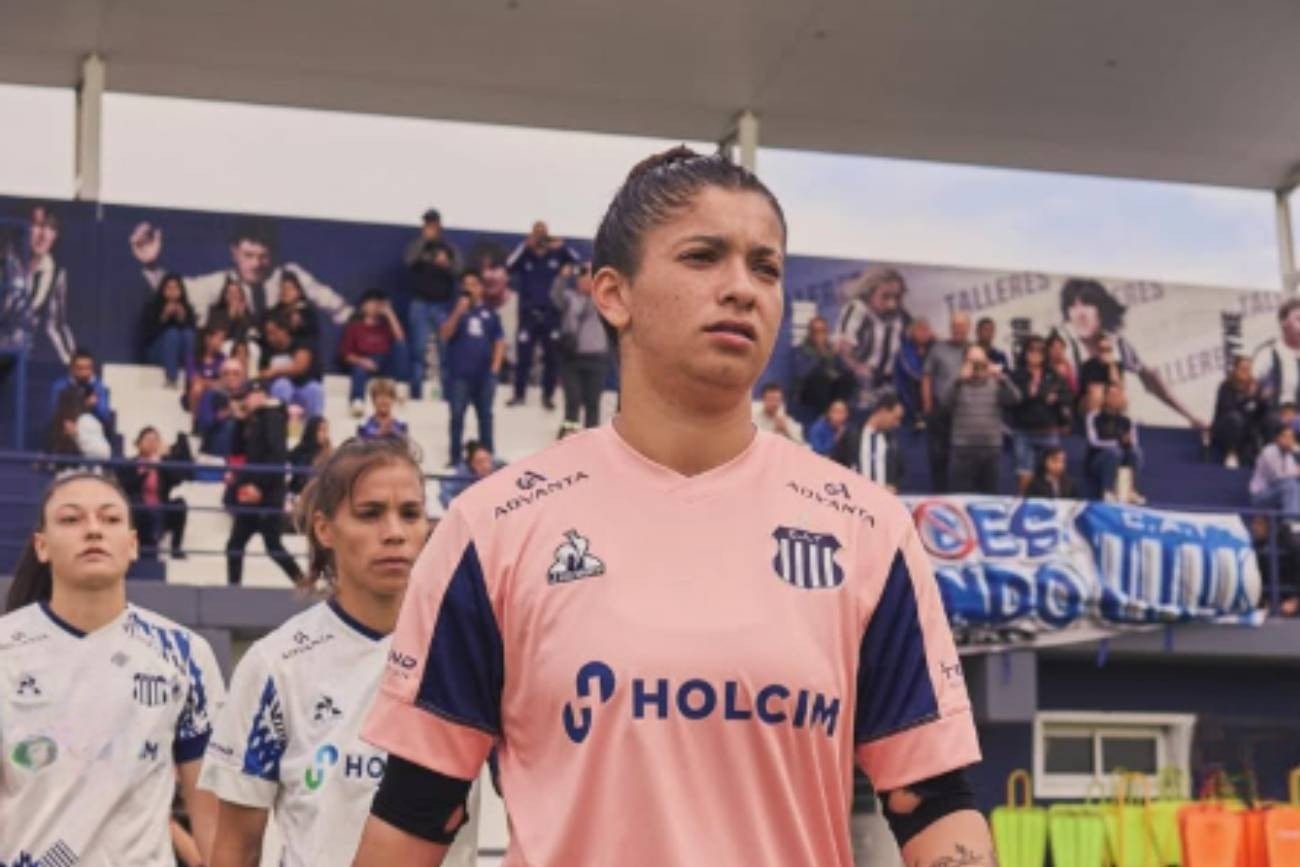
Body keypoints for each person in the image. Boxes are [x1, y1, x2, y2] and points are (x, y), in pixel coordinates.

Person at [353, 147, 990, 867]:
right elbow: (416, 809)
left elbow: (932, 800)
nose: (742, 288)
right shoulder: (495, 526)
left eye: (765, 267)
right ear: (612, 294)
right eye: (703, 257)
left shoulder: (866, 529)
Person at [202, 438, 480, 867]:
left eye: (410, 513)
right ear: (324, 529)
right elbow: (235, 849)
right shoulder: (275, 665)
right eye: (370, 514)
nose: (394, 532)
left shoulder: (471, 656)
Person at [0, 471, 225, 864]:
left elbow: (214, 826)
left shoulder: (184, 653)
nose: (93, 530)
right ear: (42, 546)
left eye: (110, 518)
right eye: (71, 519)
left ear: (133, 544)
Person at [129, 216, 352, 326]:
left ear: (273, 254)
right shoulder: (220, 282)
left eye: (263, 256)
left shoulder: (291, 275)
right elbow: (178, 289)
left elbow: (336, 306)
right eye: (248, 255)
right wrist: (150, 265)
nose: (256, 264)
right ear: (234, 252)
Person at [1050, 277, 1204, 428]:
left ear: (1101, 309)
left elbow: (1151, 382)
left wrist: (1190, 417)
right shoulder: (1064, 345)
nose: (1080, 314)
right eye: (1073, 306)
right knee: (1096, 391)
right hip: (1072, 422)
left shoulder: (1118, 345)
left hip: (1108, 420)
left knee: (1116, 394)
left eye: (1087, 304)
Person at [224, 381, 304, 587]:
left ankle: (305, 584)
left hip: (268, 493)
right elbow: (238, 451)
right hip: (253, 492)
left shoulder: (272, 417)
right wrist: (240, 421)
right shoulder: (254, 420)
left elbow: (276, 456)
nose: (247, 400)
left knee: (272, 545)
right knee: (237, 545)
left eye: (251, 395)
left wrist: (258, 486)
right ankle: (234, 591)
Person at [506, 220, 580, 409]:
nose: (540, 237)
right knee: (523, 357)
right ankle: (519, 394)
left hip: (551, 314)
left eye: (543, 233)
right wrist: (525, 246)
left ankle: (548, 396)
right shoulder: (525, 254)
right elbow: (509, 266)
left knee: (551, 357)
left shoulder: (557, 254)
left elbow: (578, 263)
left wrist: (563, 247)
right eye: (537, 232)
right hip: (528, 314)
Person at [440, 270, 505, 466]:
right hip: (459, 374)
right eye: (466, 284)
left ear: (481, 288)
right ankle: (455, 458)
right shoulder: (452, 310)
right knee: (457, 415)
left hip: (484, 375)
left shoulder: (490, 314)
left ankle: (488, 458)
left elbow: (499, 341)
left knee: (485, 416)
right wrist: (458, 312)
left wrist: (495, 369)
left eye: (474, 284)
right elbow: (445, 335)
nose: (469, 288)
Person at [0, 202, 77, 362]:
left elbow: (56, 325)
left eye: (51, 228)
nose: (44, 234)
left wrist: (74, 363)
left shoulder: (55, 273)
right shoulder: (5, 260)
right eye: (38, 225)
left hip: (19, 358)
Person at [944, 345, 1020, 495]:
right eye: (973, 362)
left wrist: (1002, 378)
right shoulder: (957, 382)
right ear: (965, 362)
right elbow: (944, 402)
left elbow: (1015, 399)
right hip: (963, 450)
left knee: (990, 496)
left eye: (981, 361)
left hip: (991, 449)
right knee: (960, 496)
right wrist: (958, 380)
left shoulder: (996, 382)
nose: (977, 366)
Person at [835, 266, 910, 411]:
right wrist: (858, 369)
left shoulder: (900, 315)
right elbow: (842, 348)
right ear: (870, 293)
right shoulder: (857, 308)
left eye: (896, 297)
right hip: (859, 382)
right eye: (885, 297)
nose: (891, 304)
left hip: (888, 382)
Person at [404, 208, 460, 400]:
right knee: (418, 351)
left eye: (433, 225)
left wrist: (446, 264)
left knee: (445, 353)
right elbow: (409, 261)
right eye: (427, 225)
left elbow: (460, 270)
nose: (430, 228)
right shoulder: (417, 246)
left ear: (440, 226)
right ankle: (416, 395)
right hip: (420, 304)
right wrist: (425, 243)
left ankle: (447, 397)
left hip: (441, 305)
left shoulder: (449, 248)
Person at [552, 261, 611, 434]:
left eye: (589, 278)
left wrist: (600, 276)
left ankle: (591, 440)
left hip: (596, 359)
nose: (584, 281)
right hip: (572, 358)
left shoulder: (603, 300)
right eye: (582, 278)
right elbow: (555, 296)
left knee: (593, 404)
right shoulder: (570, 298)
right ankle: (569, 437)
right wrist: (563, 277)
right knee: (573, 400)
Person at [117, 426, 192, 560]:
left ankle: (175, 548)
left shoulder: (163, 463)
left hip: (160, 508)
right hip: (138, 510)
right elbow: (126, 486)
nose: (152, 443)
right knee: (136, 503)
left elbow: (178, 479)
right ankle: (143, 545)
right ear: (139, 443)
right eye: (148, 440)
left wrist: (163, 462)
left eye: (155, 440)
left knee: (180, 504)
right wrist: (145, 470)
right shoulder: (129, 464)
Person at [1009, 335, 1072, 493]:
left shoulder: (1053, 375)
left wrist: (1056, 397)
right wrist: (1027, 394)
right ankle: (1024, 505)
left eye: (1040, 351)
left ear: (1045, 354)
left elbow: (1068, 395)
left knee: (1053, 473)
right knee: (1025, 474)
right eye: (1031, 350)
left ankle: (1054, 504)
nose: (1035, 354)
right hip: (1024, 432)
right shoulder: (1016, 375)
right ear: (1025, 352)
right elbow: (1009, 400)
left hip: (1048, 431)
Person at [921, 312, 970, 492]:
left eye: (961, 326)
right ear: (950, 328)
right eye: (955, 326)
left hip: (966, 413)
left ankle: (961, 496)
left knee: (963, 459)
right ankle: (939, 494)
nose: (958, 329)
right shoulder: (938, 349)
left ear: (968, 328)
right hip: (941, 411)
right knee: (938, 457)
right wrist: (927, 406)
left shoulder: (974, 350)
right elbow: (927, 377)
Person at [339, 288, 408, 416]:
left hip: (385, 361)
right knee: (358, 369)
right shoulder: (354, 327)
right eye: (372, 303)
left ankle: (400, 385)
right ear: (363, 306)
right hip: (364, 361)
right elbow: (346, 354)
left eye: (378, 303)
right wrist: (362, 361)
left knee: (400, 347)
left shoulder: (385, 326)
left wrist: (390, 314)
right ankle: (357, 402)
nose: (375, 306)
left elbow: (400, 339)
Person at [833, 393, 906, 492]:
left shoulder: (893, 443)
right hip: (856, 497)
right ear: (883, 411)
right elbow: (835, 466)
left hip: (883, 498)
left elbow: (901, 473)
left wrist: (894, 487)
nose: (897, 424)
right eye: (895, 418)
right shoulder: (850, 437)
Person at [260, 312, 325, 420]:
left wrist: (275, 371)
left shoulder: (302, 345)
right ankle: (279, 422)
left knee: (315, 389)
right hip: (277, 390)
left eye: (273, 333)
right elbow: (262, 372)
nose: (270, 338)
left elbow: (299, 368)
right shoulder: (266, 350)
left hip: (302, 388)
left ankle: (314, 424)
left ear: (284, 331)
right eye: (267, 334)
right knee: (282, 385)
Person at [792, 315, 856, 424]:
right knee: (820, 378)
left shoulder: (830, 349)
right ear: (810, 333)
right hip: (808, 390)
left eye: (823, 331)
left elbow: (844, 369)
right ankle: (827, 417)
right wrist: (819, 355)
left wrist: (838, 357)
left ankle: (839, 412)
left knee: (847, 378)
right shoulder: (801, 350)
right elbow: (803, 373)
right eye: (816, 331)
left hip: (830, 389)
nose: (820, 334)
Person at [1085, 382, 1144, 503]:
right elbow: (1093, 441)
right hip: (1098, 460)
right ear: (1105, 397)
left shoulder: (1127, 419)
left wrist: (1127, 443)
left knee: (1136, 452)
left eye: (1118, 395)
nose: (1116, 398)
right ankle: (1108, 491)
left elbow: (1134, 442)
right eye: (1112, 395)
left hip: (1122, 456)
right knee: (1114, 452)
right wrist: (1117, 442)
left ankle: (1132, 490)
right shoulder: (1093, 416)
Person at [140, 272, 199, 388]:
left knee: (188, 334)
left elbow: (194, 336)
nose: (172, 291)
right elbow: (147, 335)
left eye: (176, 288)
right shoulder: (153, 307)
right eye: (169, 288)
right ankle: (171, 379)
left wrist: (183, 319)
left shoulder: (187, 308)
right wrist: (164, 317)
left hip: (180, 354)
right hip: (157, 352)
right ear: (162, 290)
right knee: (172, 333)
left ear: (181, 291)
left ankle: (191, 377)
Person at [1212, 355, 1268, 468]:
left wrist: (1263, 401)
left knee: (1270, 419)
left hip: (1248, 429)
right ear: (1235, 369)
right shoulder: (1226, 386)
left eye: (1248, 369)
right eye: (1243, 369)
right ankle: (1231, 453)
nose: (1246, 372)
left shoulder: (1255, 386)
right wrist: (1247, 397)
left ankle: (1270, 457)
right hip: (1226, 428)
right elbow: (1227, 409)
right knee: (1235, 418)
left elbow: (1260, 413)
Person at [48, 348, 114, 432]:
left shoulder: (99, 387)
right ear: (72, 369)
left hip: (92, 431)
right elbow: (54, 414)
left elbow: (105, 417)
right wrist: (83, 406)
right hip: (65, 431)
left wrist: (95, 406)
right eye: (80, 368)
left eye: (88, 368)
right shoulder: (60, 387)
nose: (84, 373)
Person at [197, 358, 247, 457]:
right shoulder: (211, 395)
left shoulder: (249, 395)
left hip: (245, 453)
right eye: (226, 374)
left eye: (236, 373)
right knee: (229, 424)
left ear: (243, 377)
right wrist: (229, 412)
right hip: (215, 451)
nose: (231, 377)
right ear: (220, 376)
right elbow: (205, 423)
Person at [46, 386, 112, 461]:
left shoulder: (88, 421)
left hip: (87, 466)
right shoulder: (55, 424)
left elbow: (104, 454)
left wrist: (78, 435)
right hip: (62, 465)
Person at [1249, 422, 1300, 520]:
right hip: (1261, 496)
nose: (1289, 440)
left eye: (1291, 437)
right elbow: (1278, 477)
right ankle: (1292, 522)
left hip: (1279, 495)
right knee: (1290, 485)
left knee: (1295, 486)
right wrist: (1297, 471)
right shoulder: (1269, 452)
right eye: (1285, 436)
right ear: (1277, 438)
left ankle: (1294, 521)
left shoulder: (1288, 455)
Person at [437, 440, 502, 509]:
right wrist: (458, 508)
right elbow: (445, 494)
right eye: (480, 462)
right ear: (471, 464)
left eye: (488, 460)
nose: (486, 466)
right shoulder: (463, 476)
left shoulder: (499, 469)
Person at [895, 317, 934, 427]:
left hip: (928, 404)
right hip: (907, 402)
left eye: (926, 330)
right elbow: (914, 373)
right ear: (912, 332)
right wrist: (932, 378)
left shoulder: (932, 348)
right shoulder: (904, 349)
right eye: (920, 329)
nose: (924, 333)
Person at [186, 322, 228, 418]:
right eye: (220, 339)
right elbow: (194, 380)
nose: (222, 343)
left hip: (216, 393)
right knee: (197, 388)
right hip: (197, 394)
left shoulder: (223, 359)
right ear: (208, 339)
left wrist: (206, 383)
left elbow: (224, 382)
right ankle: (196, 419)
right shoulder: (193, 358)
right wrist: (212, 383)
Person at [207, 276, 259, 353]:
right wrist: (230, 316)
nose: (234, 295)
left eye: (237, 292)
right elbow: (217, 337)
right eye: (230, 292)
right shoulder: (216, 312)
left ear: (241, 295)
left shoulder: (247, 312)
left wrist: (243, 316)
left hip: (244, 350)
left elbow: (254, 335)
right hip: (222, 349)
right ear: (225, 296)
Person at [289, 416, 333, 496]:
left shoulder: (329, 453)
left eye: (326, 430)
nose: (325, 434)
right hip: (298, 493)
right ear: (312, 431)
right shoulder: (299, 451)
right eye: (321, 430)